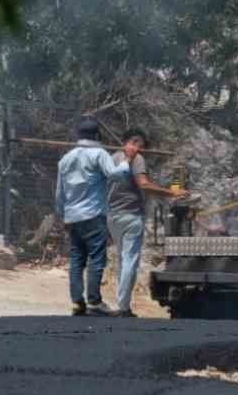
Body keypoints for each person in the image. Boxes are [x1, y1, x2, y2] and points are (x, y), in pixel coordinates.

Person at [106, 128, 187, 317]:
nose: (139, 147)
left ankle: (121, 303)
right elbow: (143, 184)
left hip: (112, 216)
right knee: (130, 262)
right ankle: (123, 307)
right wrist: (172, 193)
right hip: (131, 215)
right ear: (126, 141)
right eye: (135, 142)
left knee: (123, 259)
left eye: (141, 145)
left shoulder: (112, 157)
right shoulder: (137, 159)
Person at [54, 118, 130, 316]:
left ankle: (78, 303)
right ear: (97, 136)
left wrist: (62, 215)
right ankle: (95, 303)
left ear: (78, 136)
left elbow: (59, 194)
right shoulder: (99, 154)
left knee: (77, 259)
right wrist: (126, 161)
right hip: (93, 215)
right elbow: (115, 176)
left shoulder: (66, 159)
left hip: (72, 217)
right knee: (96, 258)